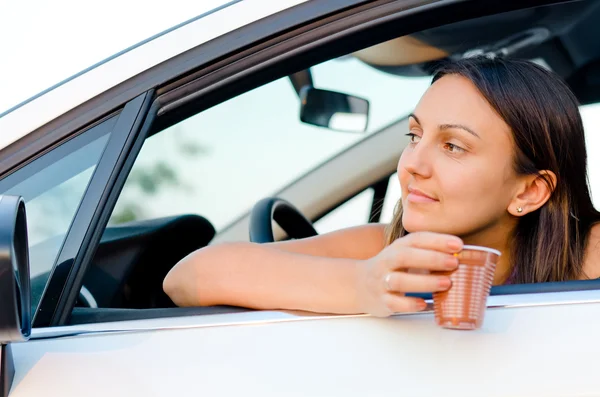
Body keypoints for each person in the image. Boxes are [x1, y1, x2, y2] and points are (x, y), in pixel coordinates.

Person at [163, 55, 600, 317]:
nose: (412, 164)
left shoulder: (588, 253)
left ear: (529, 191)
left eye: (453, 146)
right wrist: (361, 284)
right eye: (414, 136)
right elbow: (187, 279)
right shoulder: (382, 248)